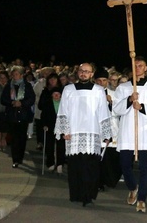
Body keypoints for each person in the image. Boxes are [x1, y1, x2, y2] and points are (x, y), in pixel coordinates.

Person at [54, 63, 112, 207]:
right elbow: (63, 110)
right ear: (77, 72)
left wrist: (105, 133)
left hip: (93, 133)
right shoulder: (68, 89)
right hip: (74, 133)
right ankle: (76, 194)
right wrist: (65, 131)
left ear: (92, 74)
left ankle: (88, 196)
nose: (84, 74)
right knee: (75, 166)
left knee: (91, 167)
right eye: (81, 71)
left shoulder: (98, 90)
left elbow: (104, 112)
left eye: (87, 71)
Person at [113, 56, 147, 213]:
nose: (138, 68)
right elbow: (116, 109)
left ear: (146, 68)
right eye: (135, 66)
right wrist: (129, 99)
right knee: (125, 164)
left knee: (144, 167)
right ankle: (132, 187)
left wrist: (141, 107)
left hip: (145, 131)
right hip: (128, 131)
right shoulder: (123, 88)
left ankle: (142, 198)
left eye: (140, 65)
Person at [1, 66, 36, 168]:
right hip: (12, 115)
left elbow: (31, 99)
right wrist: (12, 102)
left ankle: (20, 156)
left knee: (22, 138)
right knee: (14, 138)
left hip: (23, 115)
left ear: (21, 75)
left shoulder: (27, 86)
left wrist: (22, 103)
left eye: (16, 74)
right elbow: (3, 99)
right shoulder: (9, 86)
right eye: (13, 74)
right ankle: (15, 159)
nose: (14, 76)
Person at [94, 68, 122, 190]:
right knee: (97, 157)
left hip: (112, 128)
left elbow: (120, 111)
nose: (101, 83)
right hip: (96, 128)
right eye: (99, 80)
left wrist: (111, 103)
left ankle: (108, 179)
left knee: (109, 157)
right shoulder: (90, 94)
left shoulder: (114, 94)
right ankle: (98, 181)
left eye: (104, 80)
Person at [41, 87, 65, 174]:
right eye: (54, 94)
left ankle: (60, 164)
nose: (56, 95)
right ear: (52, 95)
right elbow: (43, 116)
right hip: (50, 127)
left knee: (61, 147)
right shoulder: (47, 104)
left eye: (58, 94)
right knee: (49, 146)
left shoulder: (64, 104)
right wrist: (44, 125)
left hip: (61, 128)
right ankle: (50, 163)